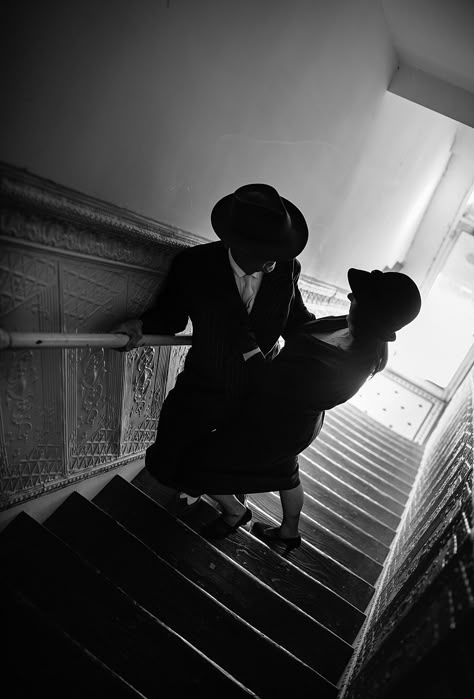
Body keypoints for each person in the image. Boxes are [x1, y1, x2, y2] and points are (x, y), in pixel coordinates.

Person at [163, 267, 422, 548]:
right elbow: (302, 328)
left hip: (277, 428)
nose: (349, 295)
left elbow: (267, 382)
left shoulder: (345, 371)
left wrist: (245, 341)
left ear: (370, 316)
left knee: (196, 461)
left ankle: (235, 512)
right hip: (294, 421)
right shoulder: (348, 328)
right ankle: (289, 531)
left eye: (357, 297)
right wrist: (287, 277)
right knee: (285, 474)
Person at [113, 183, 315, 514]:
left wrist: (338, 342)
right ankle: (208, 493)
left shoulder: (286, 268)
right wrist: (139, 326)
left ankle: (234, 508)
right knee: (168, 455)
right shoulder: (194, 266)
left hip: (258, 387)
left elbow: (296, 320)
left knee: (236, 458)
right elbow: (171, 316)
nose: (275, 261)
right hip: (206, 380)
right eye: (268, 252)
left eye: (279, 251)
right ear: (236, 244)